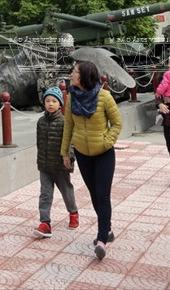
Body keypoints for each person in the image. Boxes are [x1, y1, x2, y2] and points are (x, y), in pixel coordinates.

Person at [61, 60, 122, 261]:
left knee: (103, 196)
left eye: (75, 71)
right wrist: (65, 153)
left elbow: (117, 123)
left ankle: (102, 239)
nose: (71, 74)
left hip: (103, 154)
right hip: (82, 154)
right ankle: (109, 229)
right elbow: (68, 126)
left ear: (84, 75)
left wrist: (107, 141)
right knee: (95, 195)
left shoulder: (104, 96)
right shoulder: (71, 97)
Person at [33, 86, 79, 238]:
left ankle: (73, 213)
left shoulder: (65, 122)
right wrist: (40, 161)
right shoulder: (40, 122)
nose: (50, 104)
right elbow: (39, 144)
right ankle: (45, 223)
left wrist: (69, 157)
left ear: (60, 104)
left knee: (66, 191)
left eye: (54, 101)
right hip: (45, 166)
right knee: (45, 194)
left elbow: (71, 142)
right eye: (47, 101)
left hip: (61, 166)